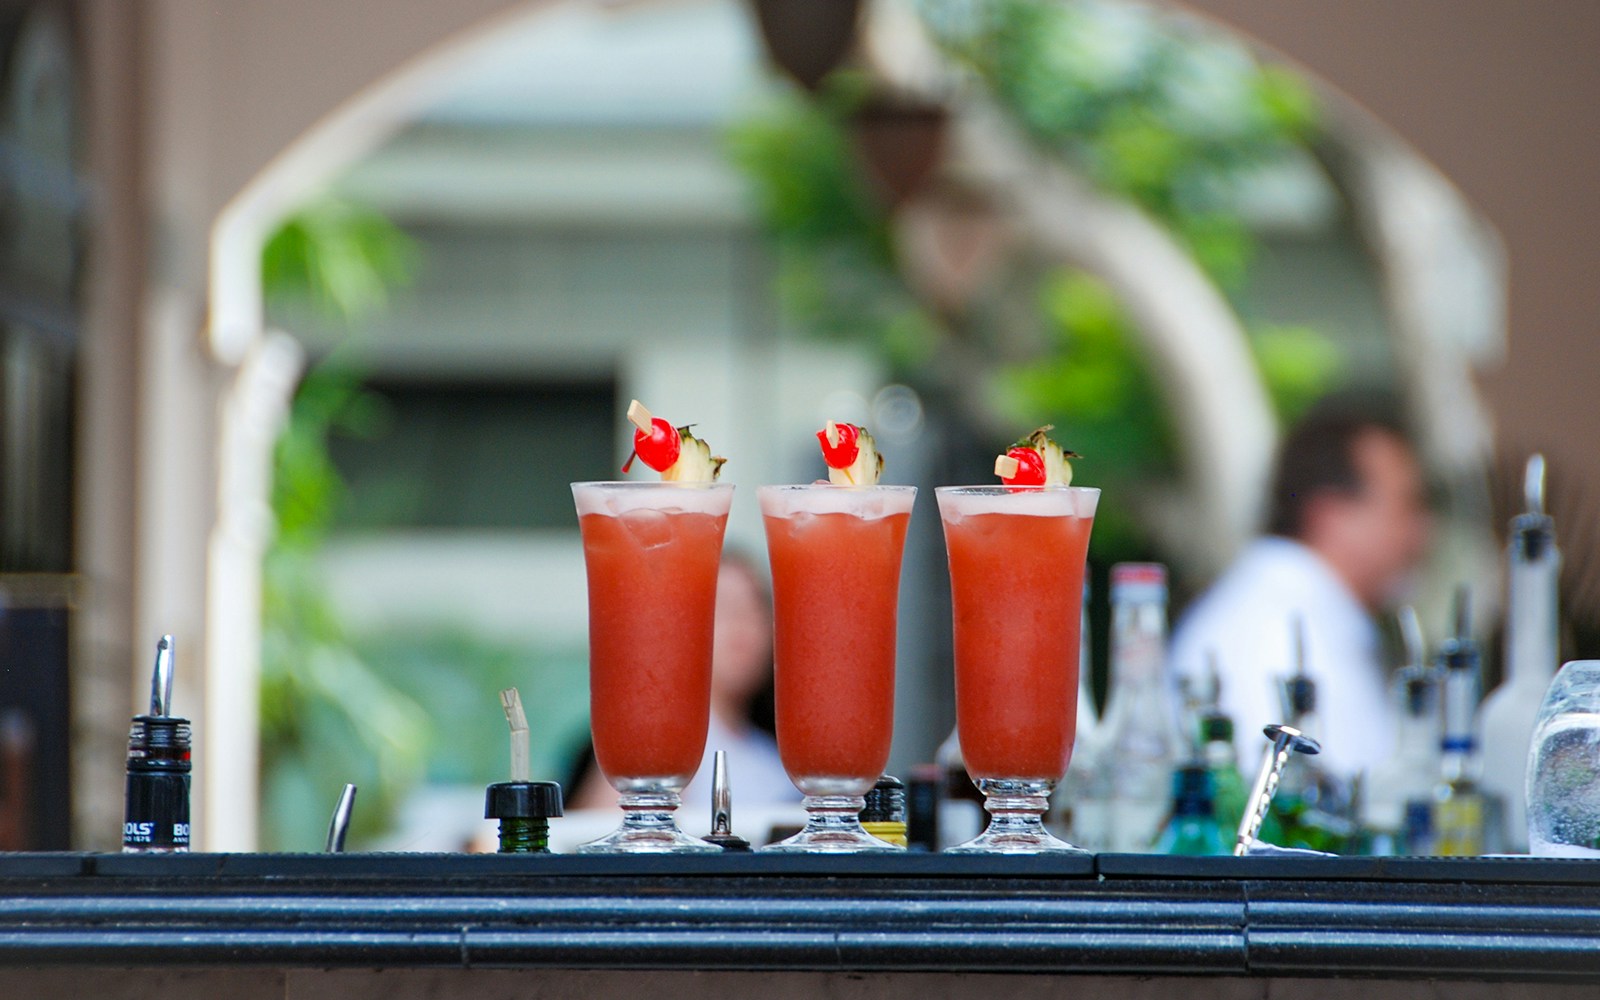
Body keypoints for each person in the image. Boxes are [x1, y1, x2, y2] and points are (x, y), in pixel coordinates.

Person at [1169, 403, 1431, 780]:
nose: (1420, 533)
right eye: (1405, 506)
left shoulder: (1294, 608)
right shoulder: (1278, 628)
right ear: (1329, 513)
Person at [568, 552, 800, 817]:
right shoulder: (658, 735)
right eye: (721, 606)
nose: (741, 624)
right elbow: (600, 833)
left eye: (754, 608)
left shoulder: (781, 751)